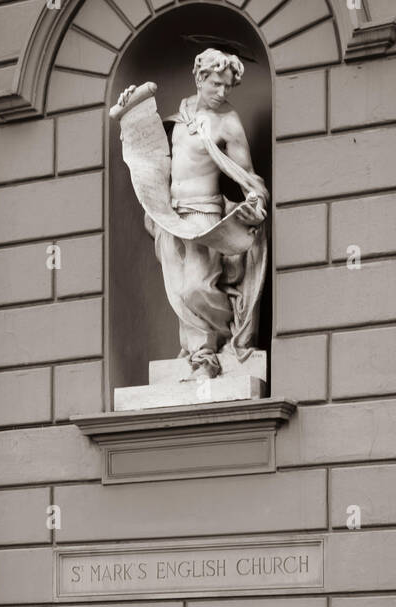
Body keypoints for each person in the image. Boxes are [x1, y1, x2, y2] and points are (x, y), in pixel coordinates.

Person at [115, 49, 268, 378]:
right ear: (200, 78)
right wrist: (132, 111)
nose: (222, 92)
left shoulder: (228, 122)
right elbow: (153, 156)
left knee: (194, 288)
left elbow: (248, 176)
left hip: (205, 215)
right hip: (171, 216)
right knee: (178, 293)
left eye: (228, 87)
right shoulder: (181, 114)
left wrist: (255, 199)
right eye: (216, 84)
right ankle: (203, 356)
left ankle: (226, 334)